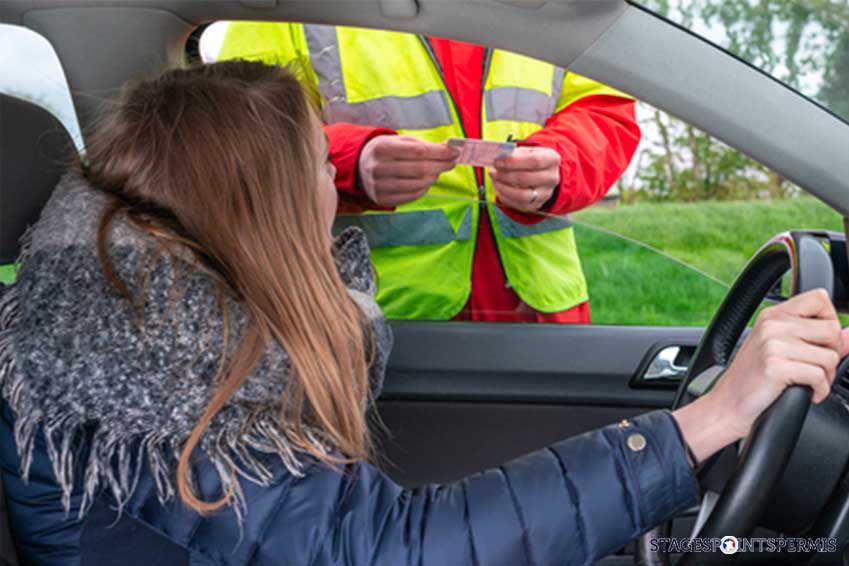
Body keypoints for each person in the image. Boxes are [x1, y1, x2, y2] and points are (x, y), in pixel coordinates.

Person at [0, 61, 845, 566]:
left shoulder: (143, 326)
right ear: (262, 200)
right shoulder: (143, 380)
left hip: (523, 294)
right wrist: (706, 423)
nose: (328, 199)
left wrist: (561, 166)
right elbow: (391, 552)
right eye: (315, 173)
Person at [217, 23, 642, 323]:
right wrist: (351, 163)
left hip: (543, 312)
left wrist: (561, 162)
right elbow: (238, 124)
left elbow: (605, 110)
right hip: (372, 318)